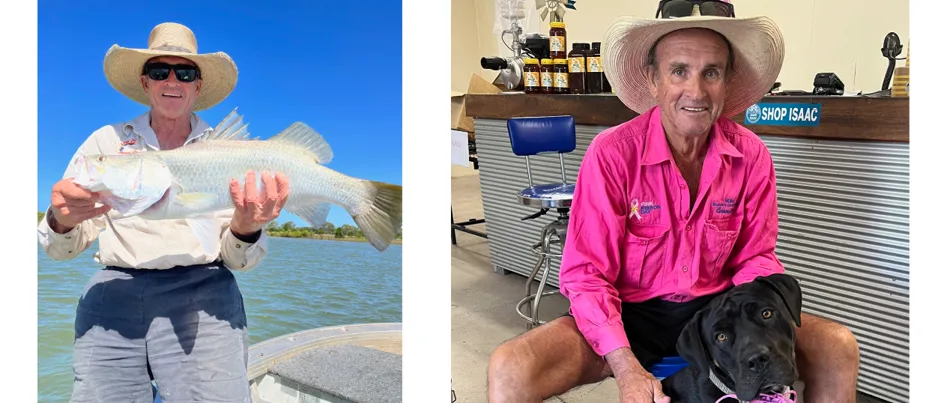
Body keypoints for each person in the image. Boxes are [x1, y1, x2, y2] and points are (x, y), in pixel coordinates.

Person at [486, 3, 860, 403]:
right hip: (629, 317)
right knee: (512, 367)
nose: (696, 92)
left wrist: (750, 332)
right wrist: (626, 365)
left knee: (837, 346)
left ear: (728, 81)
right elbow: (587, 275)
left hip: (714, 315)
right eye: (679, 71)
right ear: (653, 79)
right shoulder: (612, 154)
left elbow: (756, 258)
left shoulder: (751, 156)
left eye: (711, 73)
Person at [37, 22, 288, 402]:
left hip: (206, 292)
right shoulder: (105, 143)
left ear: (197, 86)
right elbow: (58, 249)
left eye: (185, 72)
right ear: (145, 82)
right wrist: (63, 220)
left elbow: (241, 260)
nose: (173, 80)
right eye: (160, 71)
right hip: (115, 290)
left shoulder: (233, 152)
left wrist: (246, 229)